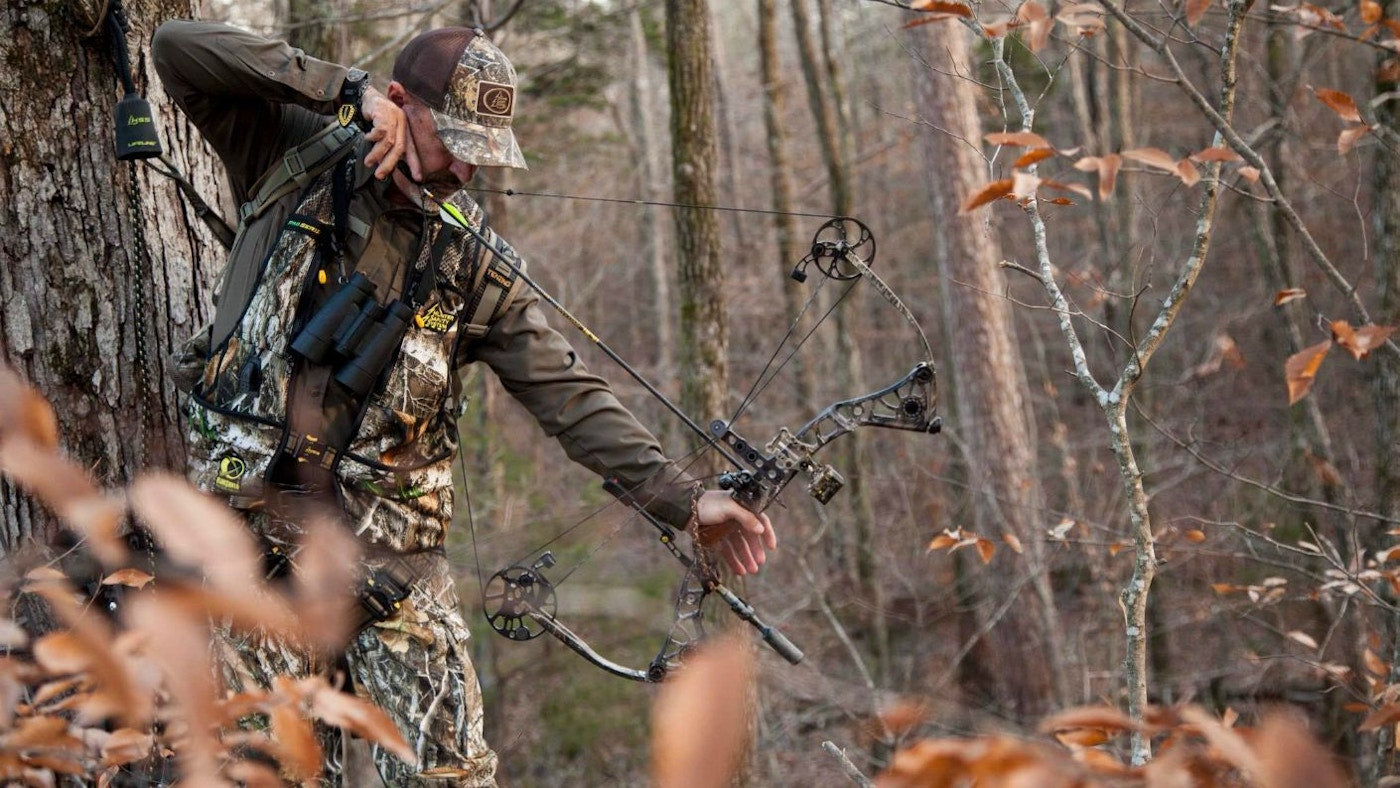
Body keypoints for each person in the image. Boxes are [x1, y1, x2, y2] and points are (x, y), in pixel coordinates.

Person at [151, 20, 777, 786]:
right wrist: (343, 90)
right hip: (250, 536)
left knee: (452, 776)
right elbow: (177, 49)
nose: (465, 167)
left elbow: (567, 394)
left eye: (481, 150)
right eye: (451, 141)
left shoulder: (475, 264)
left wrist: (683, 499)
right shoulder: (294, 150)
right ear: (398, 102)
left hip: (391, 560)